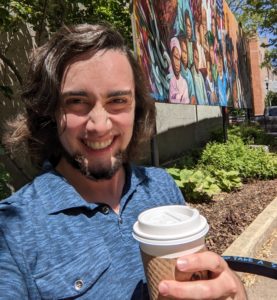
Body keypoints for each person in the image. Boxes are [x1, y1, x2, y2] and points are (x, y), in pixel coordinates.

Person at [0, 23, 247, 299]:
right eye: (77, 102)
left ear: (136, 108)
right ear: (51, 111)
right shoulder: (13, 229)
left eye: (117, 100)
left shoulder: (161, 187)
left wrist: (233, 289)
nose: (99, 126)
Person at [169, 37, 190, 103]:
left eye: (178, 59)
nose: (177, 63)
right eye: (175, 57)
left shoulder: (184, 83)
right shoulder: (171, 81)